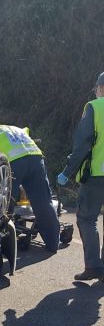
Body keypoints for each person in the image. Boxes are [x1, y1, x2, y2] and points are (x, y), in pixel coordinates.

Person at [0, 121, 60, 252]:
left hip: (14, 161)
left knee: (5, 203)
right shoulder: (14, 129)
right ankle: (53, 243)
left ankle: (2, 244)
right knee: (43, 201)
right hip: (36, 158)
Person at [57, 72, 104, 281]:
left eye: (96, 89)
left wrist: (68, 172)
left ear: (100, 88)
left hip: (96, 175)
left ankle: (93, 267)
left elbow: (83, 144)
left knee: (86, 219)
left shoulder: (95, 107)